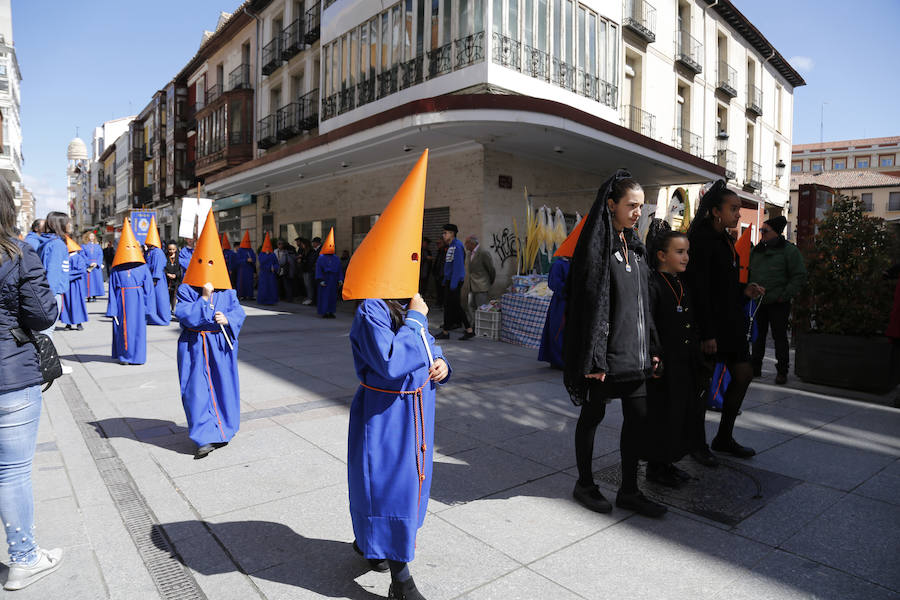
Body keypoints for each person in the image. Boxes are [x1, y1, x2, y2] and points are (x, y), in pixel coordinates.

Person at [342, 150, 450, 600]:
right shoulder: (371, 307)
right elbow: (388, 360)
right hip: (385, 414)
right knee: (387, 487)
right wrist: (420, 322)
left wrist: (442, 363)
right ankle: (400, 580)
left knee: (408, 487)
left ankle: (375, 544)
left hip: (416, 411)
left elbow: (425, 346)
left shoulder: (406, 305)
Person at [563, 170, 666, 518]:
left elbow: (643, 303)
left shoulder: (636, 247)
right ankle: (585, 484)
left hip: (634, 356)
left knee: (637, 419)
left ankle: (629, 490)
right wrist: (593, 359)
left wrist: (652, 347)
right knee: (592, 417)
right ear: (611, 205)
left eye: (641, 206)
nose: (638, 212)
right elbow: (585, 306)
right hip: (604, 359)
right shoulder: (596, 247)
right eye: (631, 205)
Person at [0, 176, 64, 590]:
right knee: (12, 472)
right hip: (10, 376)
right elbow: (42, 316)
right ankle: (24, 558)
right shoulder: (19, 255)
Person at [685, 180, 765, 462]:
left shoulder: (726, 240)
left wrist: (744, 290)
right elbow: (700, 290)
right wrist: (707, 333)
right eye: (733, 209)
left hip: (731, 322)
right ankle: (696, 444)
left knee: (743, 374)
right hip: (709, 325)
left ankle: (724, 437)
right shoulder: (701, 240)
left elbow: (724, 284)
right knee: (701, 386)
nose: (738, 215)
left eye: (739, 209)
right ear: (716, 211)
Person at [176, 212, 246, 460]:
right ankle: (203, 437)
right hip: (195, 346)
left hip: (220, 345)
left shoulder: (228, 289)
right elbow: (183, 314)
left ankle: (223, 429)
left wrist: (228, 319)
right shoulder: (186, 289)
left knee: (223, 386)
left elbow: (238, 311)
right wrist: (204, 299)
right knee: (196, 390)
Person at [644, 230, 704, 487]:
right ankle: (655, 467)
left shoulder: (680, 282)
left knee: (678, 414)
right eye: (679, 252)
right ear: (661, 255)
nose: (686, 257)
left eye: (687, 252)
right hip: (664, 363)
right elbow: (650, 323)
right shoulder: (653, 283)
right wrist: (655, 354)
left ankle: (668, 462)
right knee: (661, 416)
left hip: (683, 361)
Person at [749, 215, 807, 385]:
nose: (762, 233)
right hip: (758, 301)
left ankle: (782, 371)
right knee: (757, 336)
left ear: (776, 233)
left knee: (779, 337)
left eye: (765, 231)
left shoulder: (790, 251)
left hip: (779, 302)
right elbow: (747, 271)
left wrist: (784, 295)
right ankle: (755, 367)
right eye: (761, 230)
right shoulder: (757, 250)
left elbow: (799, 276)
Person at [106, 219, 154, 365]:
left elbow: (149, 289)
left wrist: (149, 307)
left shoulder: (143, 268)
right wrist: (112, 309)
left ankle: (137, 357)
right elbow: (112, 291)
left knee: (138, 330)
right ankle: (124, 356)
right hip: (122, 301)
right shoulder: (116, 269)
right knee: (121, 328)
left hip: (138, 302)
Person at [539, 218, 584, 369]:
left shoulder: (573, 264)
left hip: (571, 301)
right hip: (561, 302)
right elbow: (554, 283)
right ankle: (558, 360)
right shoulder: (558, 264)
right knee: (558, 331)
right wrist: (570, 289)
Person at [435, 224, 472, 340]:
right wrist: (446, 280)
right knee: (449, 306)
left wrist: (453, 283)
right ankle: (447, 331)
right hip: (450, 280)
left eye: (445, 233)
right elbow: (449, 266)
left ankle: (468, 330)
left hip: (454, 281)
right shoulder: (451, 246)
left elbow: (458, 267)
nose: (443, 235)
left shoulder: (457, 246)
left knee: (455, 306)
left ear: (452, 234)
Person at [462, 235, 496, 326]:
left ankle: (482, 325)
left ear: (472, 243)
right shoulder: (469, 254)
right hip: (471, 285)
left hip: (481, 285)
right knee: (470, 306)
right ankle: (473, 324)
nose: (465, 245)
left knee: (481, 307)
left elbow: (491, 269)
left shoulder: (483, 253)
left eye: (466, 243)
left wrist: (488, 282)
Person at [143, 216, 171, 326]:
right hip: (151, 278)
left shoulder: (158, 252)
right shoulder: (150, 251)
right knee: (152, 299)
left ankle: (163, 318)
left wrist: (155, 278)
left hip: (157, 279)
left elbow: (158, 266)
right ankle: (153, 317)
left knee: (160, 298)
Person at [60, 236, 88, 331]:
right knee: (67, 303)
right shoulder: (63, 257)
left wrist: (67, 276)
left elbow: (82, 270)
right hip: (67, 285)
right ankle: (68, 323)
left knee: (77, 303)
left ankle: (79, 323)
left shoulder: (78, 258)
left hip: (76, 285)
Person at [315, 228, 342, 318]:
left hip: (333, 279)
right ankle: (324, 311)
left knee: (332, 296)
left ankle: (331, 311)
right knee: (324, 296)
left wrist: (340, 279)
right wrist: (320, 279)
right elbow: (318, 269)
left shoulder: (336, 258)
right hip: (325, 278)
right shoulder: (321, 257)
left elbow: (339, 269)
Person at [80, 231, 104, 302]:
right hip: (89, 266)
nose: (92, 238)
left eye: (93, 236)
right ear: (87, 237)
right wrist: (89, 263)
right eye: (90, 236)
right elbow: (82, 255)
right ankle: (89, 295)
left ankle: (95, 295)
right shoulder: (84, 246)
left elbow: (100, 255)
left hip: (96, 265)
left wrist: (97, 263)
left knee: (96, 281)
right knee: (89, 281)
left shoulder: (98, 246)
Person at [256, 233, 279, 305]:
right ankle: (263, 300)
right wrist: (266, 255)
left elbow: (276, 263)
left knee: (271, 287)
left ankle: (272, 300)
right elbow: (261, 262)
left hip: (271, 274)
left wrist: (274, 268)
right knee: (264, 287)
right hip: (264, 273)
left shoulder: (273, 254)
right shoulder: (261, 254)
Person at [235, 231, 256, 300]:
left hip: (249, 269)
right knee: (242, 282)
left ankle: (250, 295)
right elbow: (237, 260)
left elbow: (254, 258)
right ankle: (241, 295)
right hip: (242, 269)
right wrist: (246, 260)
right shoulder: (240, 250)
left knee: (250, 283)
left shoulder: (251, 250)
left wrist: (252, 260)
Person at [165, 241, 182, 315]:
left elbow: (181, 269)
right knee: (167, 295)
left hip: (176, 280)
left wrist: (176, 275)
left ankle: (173, 308)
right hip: (167, 280)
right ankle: (167, 309)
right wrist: (167, 274)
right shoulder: (165, 257)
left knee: (175, 295)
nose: (171, 251)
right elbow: (162, 267)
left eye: (173, 249)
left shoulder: (179, 257)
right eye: (170, 249)